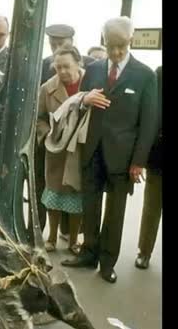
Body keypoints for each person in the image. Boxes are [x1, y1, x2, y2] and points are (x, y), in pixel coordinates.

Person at [61, 16, 158, 284]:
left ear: (131, 41)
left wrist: (138, 161)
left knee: (115, 212)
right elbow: (77, 105)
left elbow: (149, 123)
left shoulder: (145, 75)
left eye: (121, 47)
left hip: (123, 158)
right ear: (104, 40)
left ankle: (107, 262)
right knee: (90, 206)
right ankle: (88, 253)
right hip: (92, 149)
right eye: (111, 46)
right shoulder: (93, 70)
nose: (115, 52)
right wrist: (85, 98)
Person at [36, 46, 86, 254]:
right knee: (54, 195)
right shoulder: (47, 88)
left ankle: (74, 240)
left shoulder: (90, 83)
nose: (63, 71)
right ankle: (52, 238)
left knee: (76, 195)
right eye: (58, 68)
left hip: (80, 150)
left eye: (67, 66)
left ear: (78, 63)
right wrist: (48, 135)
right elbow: (38, 118)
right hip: (56, 151)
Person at [135, 65, 162, 269]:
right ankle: (144, 251)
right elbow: (151, 112)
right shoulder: (159, 74)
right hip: (160, 154)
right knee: (152, 207)